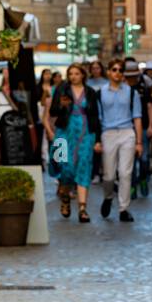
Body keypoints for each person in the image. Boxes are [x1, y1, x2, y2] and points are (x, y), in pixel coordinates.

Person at [44, 63, 102, 222]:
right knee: (64, 167)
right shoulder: (61, 89)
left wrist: (97, 139)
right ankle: (65, 199)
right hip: (63, 133)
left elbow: (95, 116)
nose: (73, 77)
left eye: (77, 73)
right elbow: (53, 112)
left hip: (85, 133)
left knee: (84, 165)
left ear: (83, 75)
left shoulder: (90, 92)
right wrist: (61, 105)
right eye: (70, 74)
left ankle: (83, 208)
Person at [97, 58, 143, 222]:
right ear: (108, 72)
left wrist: (139, 142)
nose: (117, 73)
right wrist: (97, 140)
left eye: (120, 70)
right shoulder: (100, 92)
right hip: (108, 133)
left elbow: (137, 117)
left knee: (125, 173)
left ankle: (124, 208)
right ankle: (108, 196)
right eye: (114, 69)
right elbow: (97, 118)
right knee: (109, 175)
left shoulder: (132, 92)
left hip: (127, 133)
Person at [124, 59, 152, 197]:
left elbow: (150, 106)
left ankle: (143, 179)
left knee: (144, 158)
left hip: (142, 127)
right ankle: (132, 185)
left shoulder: (143, 85)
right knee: (129, 159)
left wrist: (150, 126)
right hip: (126, 127)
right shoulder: (122, 87)